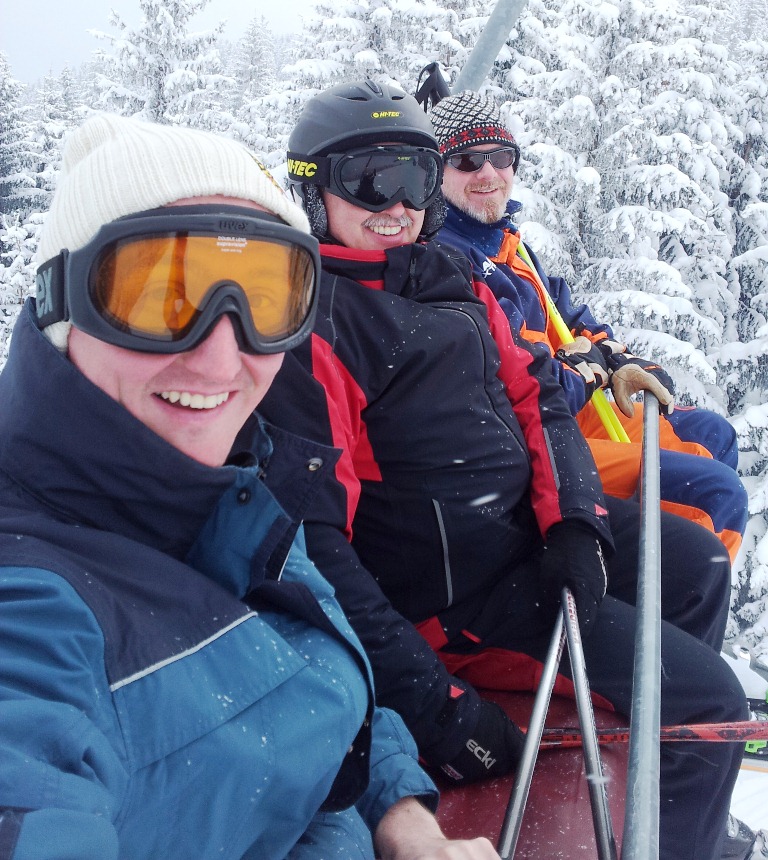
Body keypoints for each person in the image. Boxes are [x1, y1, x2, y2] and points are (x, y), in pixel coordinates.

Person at [257, 78, 750, 860]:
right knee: (706, 698)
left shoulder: (453, 281)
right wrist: (433, 703)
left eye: (416, 177)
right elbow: (317, 546)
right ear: (315, 192)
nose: (398, 203)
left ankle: (655, 790)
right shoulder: (317, 327)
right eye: (369, 180)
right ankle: (676, 808)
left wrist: (575, 521)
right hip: (455, 602)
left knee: (692, 564)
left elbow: (541, 402)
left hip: (518, 538)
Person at [0, 113, 500, 860]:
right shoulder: (29, 611)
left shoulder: (236, 490)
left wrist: (403, 818)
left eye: (266, 298)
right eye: (158, 298)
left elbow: (324, 684)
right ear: (60, 306)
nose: (219, 356)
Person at [428, 90, 748, 564]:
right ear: (436, 172)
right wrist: (581, 367)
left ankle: (679, 574)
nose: (488, 173)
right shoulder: (449, 256)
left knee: (711, 434)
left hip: (573, 407)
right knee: (711, 491)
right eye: (467, 160)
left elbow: (567, 315)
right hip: (534, 435)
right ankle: (680, 591)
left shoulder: (505, 243)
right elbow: (518, 378)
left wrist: (613, 355)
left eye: (501, 156)